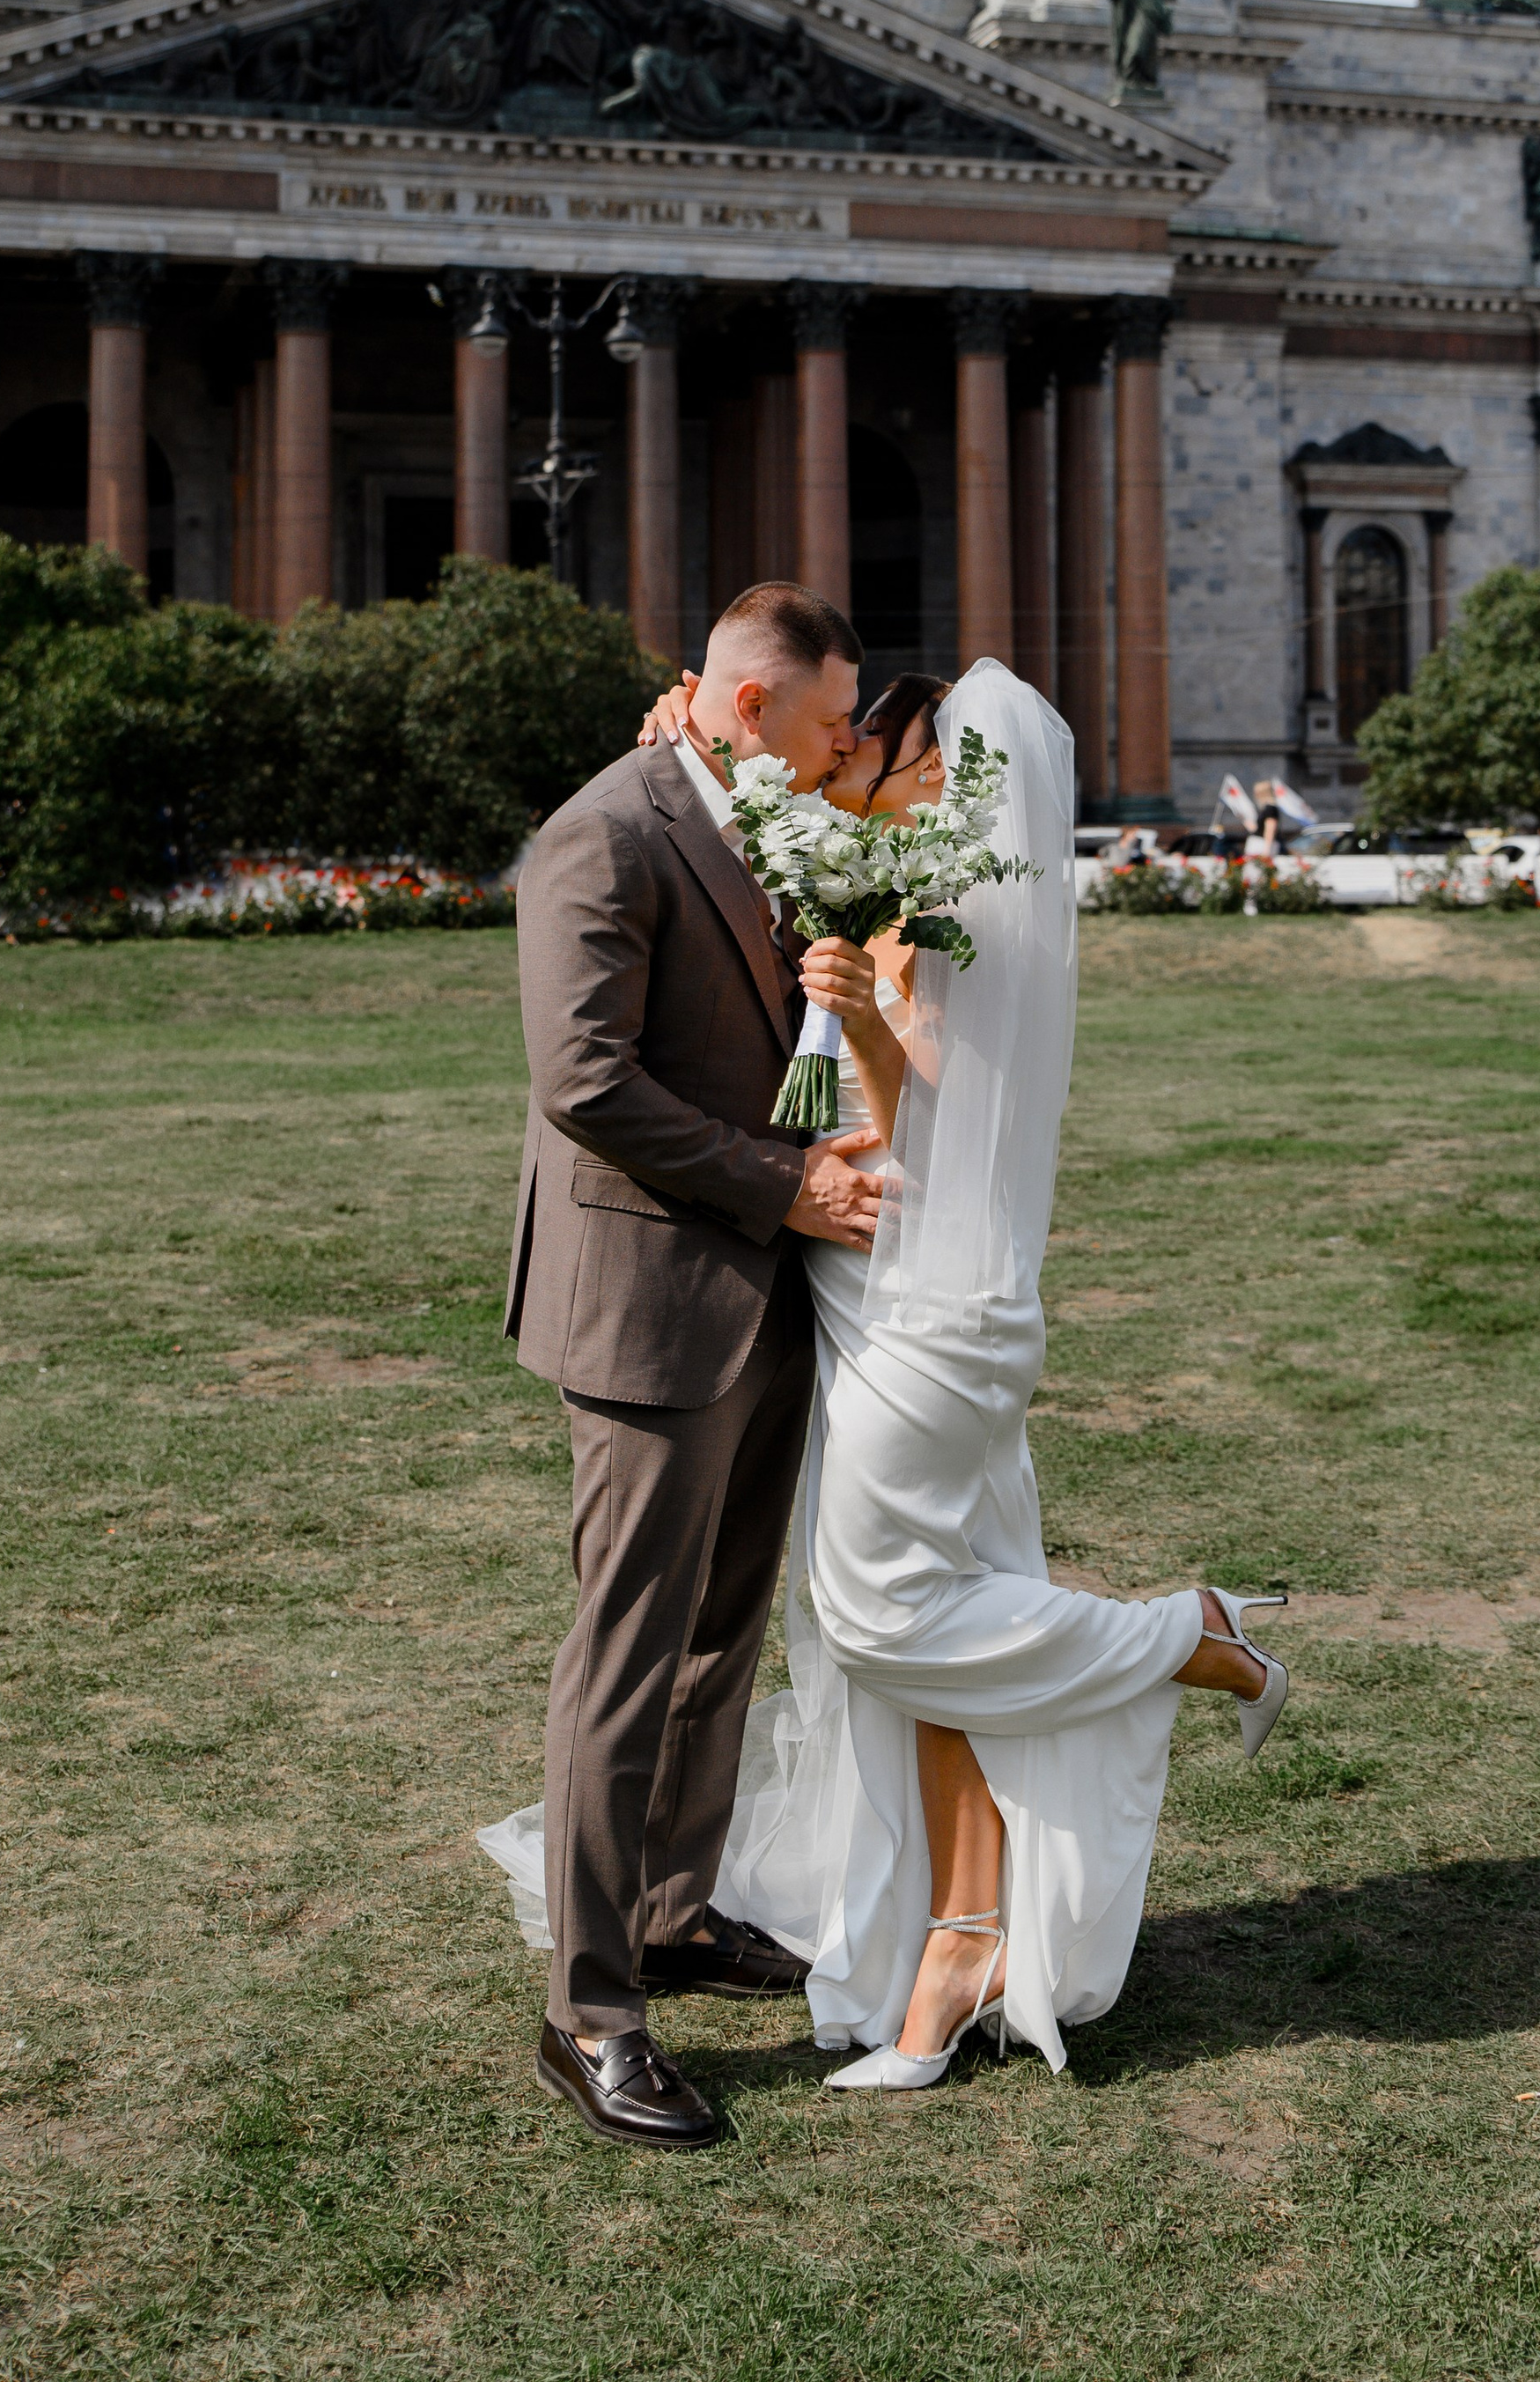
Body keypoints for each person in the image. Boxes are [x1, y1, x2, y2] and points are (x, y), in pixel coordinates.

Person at [612, 658, 1292, 2089]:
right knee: (927, 1631)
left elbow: (913, 1086)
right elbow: (833, 1081)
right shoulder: (876, 879)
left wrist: (851, 1001)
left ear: (936, 778)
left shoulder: (944, 898)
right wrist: (710, 761)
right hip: (865, 1284)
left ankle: (1186, 1634)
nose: (849, 748)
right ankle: (961, 1939)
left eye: (879, 741)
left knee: (877, 1613)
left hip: (927, 1306)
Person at [507, 581, 886, 2154]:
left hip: (765, 1298)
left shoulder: (757, 806)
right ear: (743, 710)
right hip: (654, 1298)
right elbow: (586, 1078)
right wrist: (783, 1183)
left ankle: (671, 1912)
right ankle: (591, 2014)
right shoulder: (602, 831)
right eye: (821, 723)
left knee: (723, 1636)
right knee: (629, 1653)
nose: (843, 748)